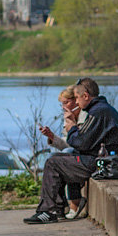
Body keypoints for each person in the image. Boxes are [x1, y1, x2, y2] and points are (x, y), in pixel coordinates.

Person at [24, 77, 118, 224]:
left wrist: (72, 126)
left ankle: (47, 211)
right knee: (59, 159)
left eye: (77, 98)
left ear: (85, 96)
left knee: (53, 163)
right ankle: (57, 209)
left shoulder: (98, 112)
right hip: (108, 161)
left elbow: (80, 143)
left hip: (102, 164)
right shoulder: (105, 109)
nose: (77, 102)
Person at [38, 85, 88, 219]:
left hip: (84, 157)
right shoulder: (69, 118)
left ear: (75, 101)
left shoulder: (84, 116)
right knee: (54, 157)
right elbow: (67, 144)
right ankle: (60, 205)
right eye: (62, 103)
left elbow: (78, 144)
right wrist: (51, 136)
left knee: (64, 156)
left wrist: (72, 123)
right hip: (74, 153)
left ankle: (71, 202)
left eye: (66, 102)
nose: (63, 107)